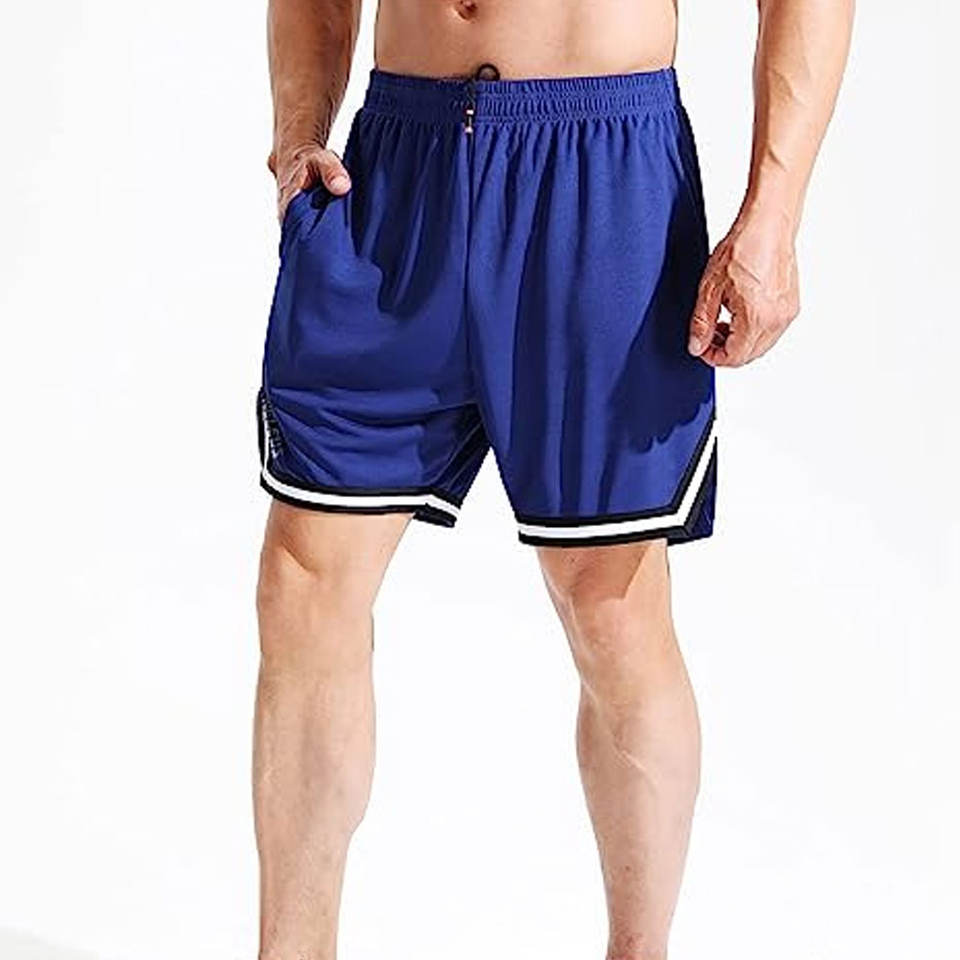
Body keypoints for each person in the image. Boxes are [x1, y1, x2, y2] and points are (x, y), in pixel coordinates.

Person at [253, 0, 852, 956]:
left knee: (611, 607)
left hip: (599, 168)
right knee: (301, 586)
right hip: (390, 174)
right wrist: (297, 136)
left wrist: (774, 215)